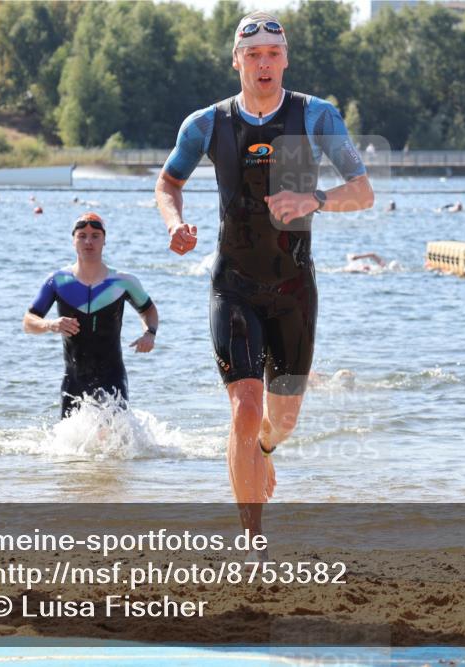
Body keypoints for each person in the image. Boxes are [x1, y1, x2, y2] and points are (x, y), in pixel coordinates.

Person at [154, 12, 373, 534]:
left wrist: (313, 199)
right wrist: (175, 223)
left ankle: (266, 450)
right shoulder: (207, 123)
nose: (264, 63)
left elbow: (363, 192)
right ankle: (252, 540)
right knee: (244, 409)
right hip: (233, 285)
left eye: (273, 54)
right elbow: (168, 183)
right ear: (237, 61)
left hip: (295, 289)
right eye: (253, 55)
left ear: (286, 59)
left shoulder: (315, 117)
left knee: (281, 421)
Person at [23, 212, 159, 418]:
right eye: (82, 235)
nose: (88, 241)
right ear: (73, 240)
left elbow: (148, 310)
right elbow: (28, 321)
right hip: (73, 379)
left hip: (112, 376)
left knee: (119, 443)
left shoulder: (122, 282)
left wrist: (149, 333)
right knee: (70, 448)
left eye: (95, 235)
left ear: (104, 240)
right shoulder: (57, 281)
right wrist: (51, 324)